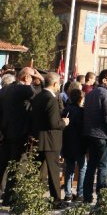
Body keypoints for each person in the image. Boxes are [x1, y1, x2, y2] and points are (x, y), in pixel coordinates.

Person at [0, 66, 42, 204]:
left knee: (3, 165)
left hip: (5, 132)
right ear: (26, 77)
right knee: (16, 167)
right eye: (33, 77)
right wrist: (40, 80)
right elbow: (40, 96)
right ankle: (9, 198)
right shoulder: (23, 89)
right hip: (18, 133)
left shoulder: (6, 89)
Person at [31, 72, 69, 208]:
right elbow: (54, 123)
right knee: (53, 172)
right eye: (59, 83)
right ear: (54, 84)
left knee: (36, 171)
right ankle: (57, 201)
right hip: (51, 140)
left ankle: (31, 196)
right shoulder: (51, 99)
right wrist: (64, 122)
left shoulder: (38, 96)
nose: (59, 86)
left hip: (39, 138)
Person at [82, 69, 107, 203]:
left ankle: (87, 196)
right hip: (103, 136)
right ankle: (101, 198)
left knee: (91, 166)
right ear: (104, 80)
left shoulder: (91, 93)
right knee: (103, 167)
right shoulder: (106, 94)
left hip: (91, 135)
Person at [62, 88, 87, 202]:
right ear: (80, 98)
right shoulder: (82, 112)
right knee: (82, 168)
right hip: (80, 144)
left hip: (67, 143)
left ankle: (68, 193)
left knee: (69, 169)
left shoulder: (66, 110)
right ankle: (80, 193)